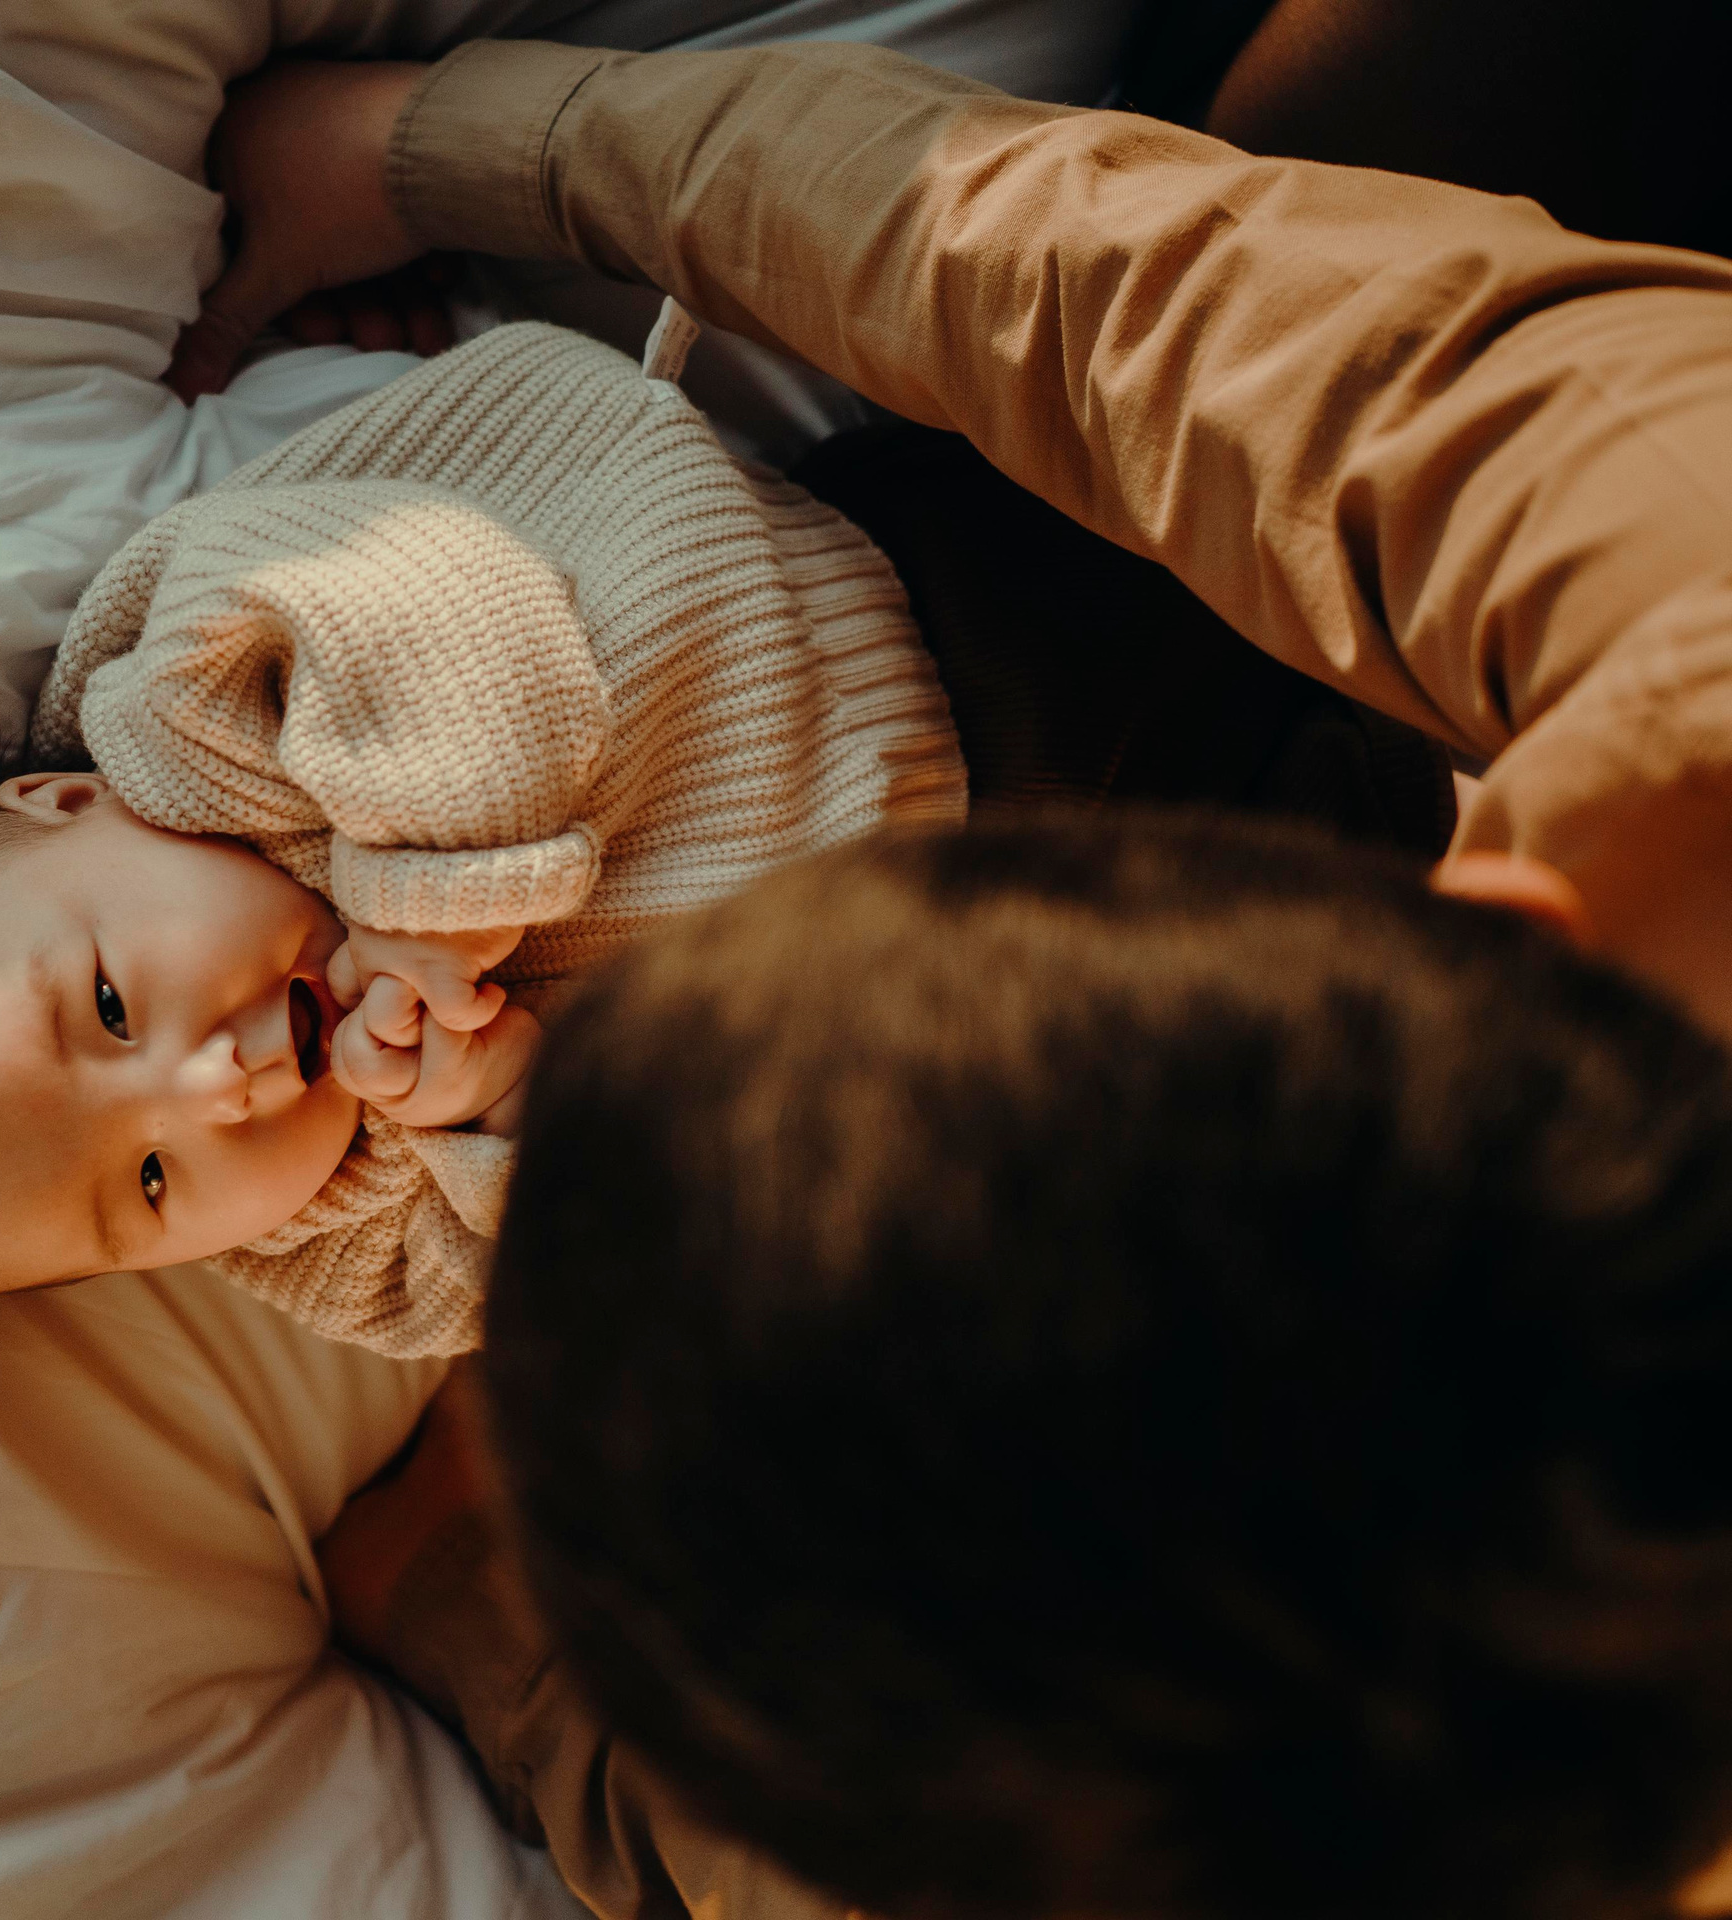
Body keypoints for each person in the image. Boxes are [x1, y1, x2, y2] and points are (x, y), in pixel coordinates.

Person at [151, 26, 1732, 1920]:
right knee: (1393, 120)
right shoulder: (1689, 597)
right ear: (1519, 940)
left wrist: (498, 1629)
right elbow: (1119, 284)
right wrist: (458, 144)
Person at [0, 319, 966, 1349]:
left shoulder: (198, 704)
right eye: (150, 1185)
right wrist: (504, 1104)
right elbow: (597, 1270)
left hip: (904, 608)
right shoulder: (339, 1256)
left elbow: (444, 601)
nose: (211, 1090)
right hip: (966, 951)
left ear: (65, 804)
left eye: (105, 1005)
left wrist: (427, 921)